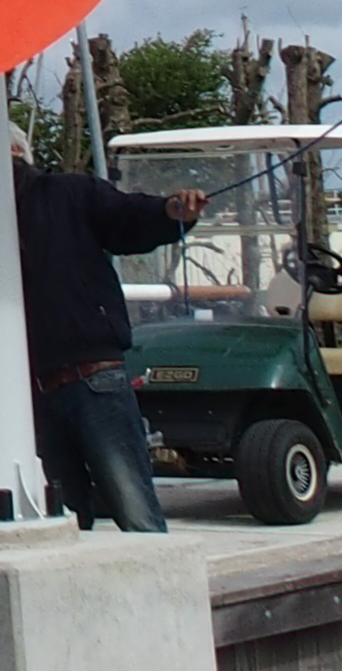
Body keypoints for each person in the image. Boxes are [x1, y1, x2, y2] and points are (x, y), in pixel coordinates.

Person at [11, 133, 202, 533]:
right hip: (31, 392)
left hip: (93, 376)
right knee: (60, 525)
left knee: (136, 514)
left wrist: (171, 211)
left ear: (16, 153)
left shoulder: (69, 192)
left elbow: (126, 217)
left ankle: (159, 593)